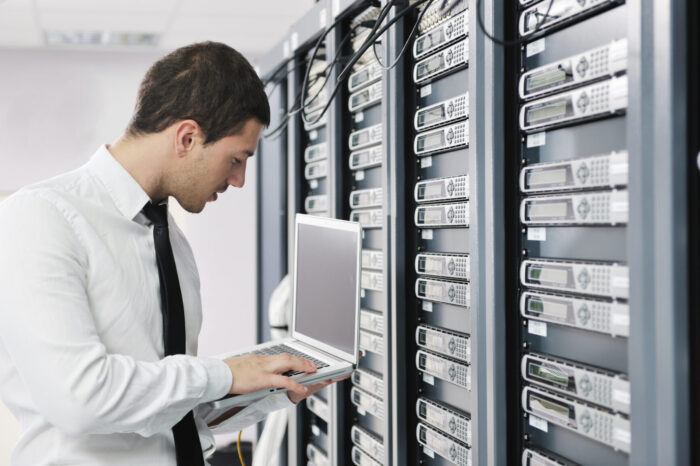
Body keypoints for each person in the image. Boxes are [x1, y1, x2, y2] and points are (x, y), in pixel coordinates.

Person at [0, 41, 333, 465]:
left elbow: (169, 411)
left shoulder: (168, 238)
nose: (239, 180)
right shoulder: (41, 218)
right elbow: (79, 397)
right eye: (236, 158)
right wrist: (226, 372)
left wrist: (271, 386)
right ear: (187, 136)